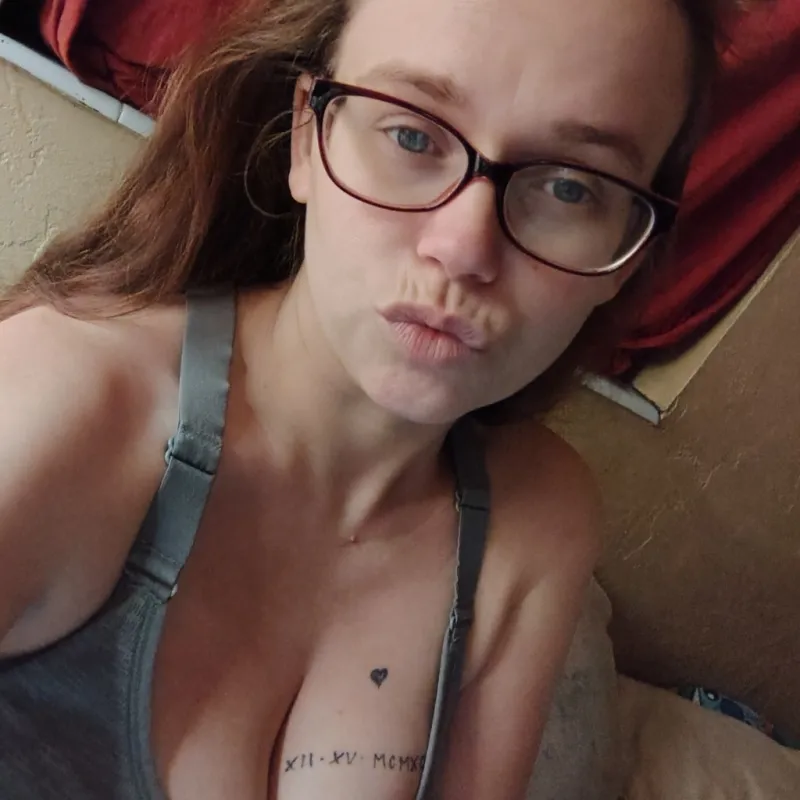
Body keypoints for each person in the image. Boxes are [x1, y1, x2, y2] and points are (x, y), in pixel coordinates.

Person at [0, 0, 743, 797]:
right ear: (306, 139)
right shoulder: (64, 399)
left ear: (628, 253)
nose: (463, 249)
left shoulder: (535, 521)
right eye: (412, 136)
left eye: (569, 187)